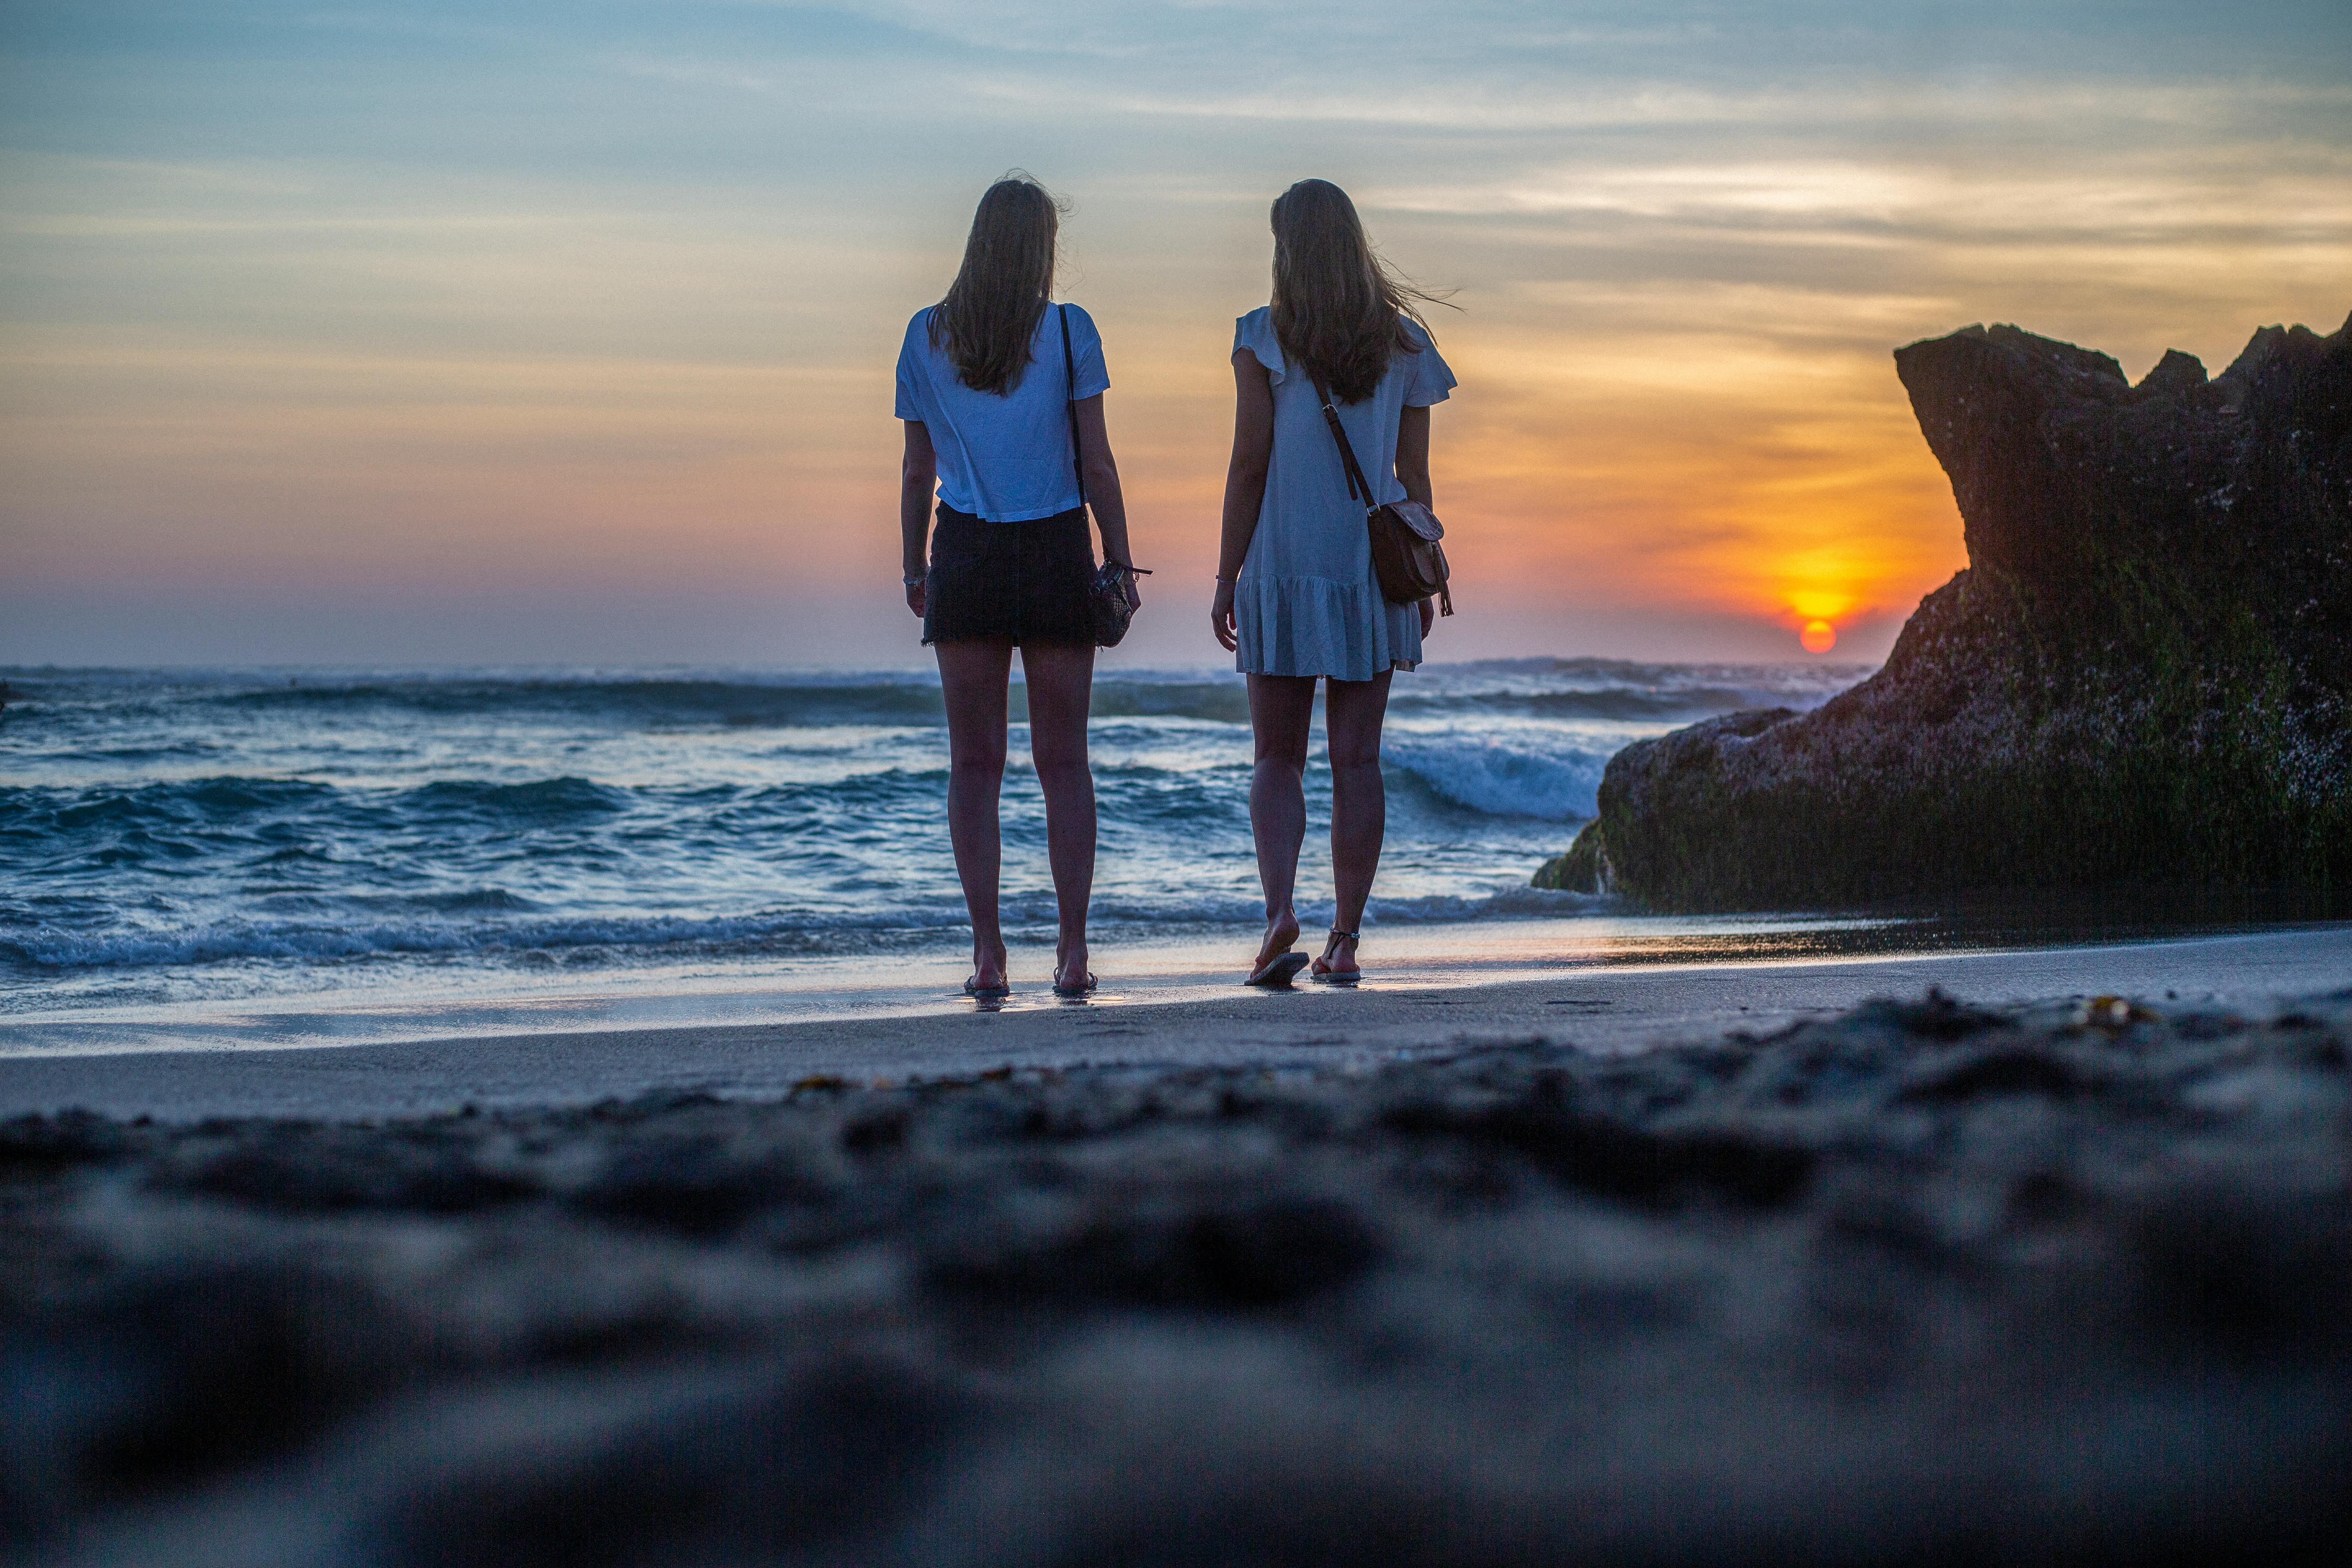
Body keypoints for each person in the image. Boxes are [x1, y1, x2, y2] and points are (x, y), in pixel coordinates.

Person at [896, 174, 1143, 998]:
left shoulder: (928, 334)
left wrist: (912, 567)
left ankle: (989, 954)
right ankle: (1072, 953)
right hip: (1053, 548)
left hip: (963, 549)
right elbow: (1096, 460)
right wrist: (1120, 554)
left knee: (975, 766)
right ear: (1043, 248)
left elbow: (916, 466)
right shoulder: (1070, 333)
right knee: (1063, 763)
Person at [1211, 178, 1456, 987]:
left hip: (1281, 566)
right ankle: (1345, 940)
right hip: (1369, 576)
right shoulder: (1405, 343)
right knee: (1357, 762)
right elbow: (1413, 477)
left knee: (1275, 759)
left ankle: (1281, 913)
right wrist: (1425, 575)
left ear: (1288, 249)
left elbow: (1249, 466)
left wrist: (1226, 575)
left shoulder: (1263, 337)